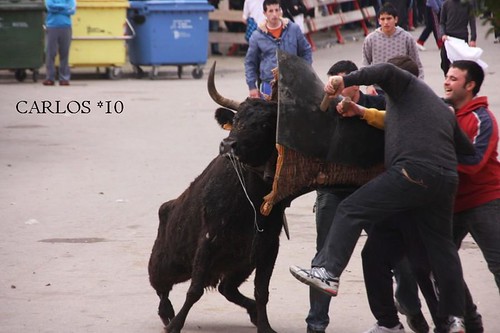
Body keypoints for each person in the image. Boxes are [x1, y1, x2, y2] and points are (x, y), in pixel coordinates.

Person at [289, 59, 474, 332]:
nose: (379, 86)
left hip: (411, 172)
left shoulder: (406, 86)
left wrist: (344, 80)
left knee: (351, 208)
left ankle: (328, 273)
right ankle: (449, 319)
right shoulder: (438, 108)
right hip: (445, 182)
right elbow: (467, 150)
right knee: (422, 251)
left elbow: (386, 72)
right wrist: (362, 111)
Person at [306, 60, 386, 333]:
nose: (338, 87)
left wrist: (360, 112)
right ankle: (315, 324)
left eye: (343, 81)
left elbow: (397, 122)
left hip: (372, 190)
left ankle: (390, 320)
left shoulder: (380, 103)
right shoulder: (326, 108)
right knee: (323, 260)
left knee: (386, 254)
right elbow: (306, 123)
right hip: (332, 191)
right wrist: (326, 99)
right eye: (334, 82)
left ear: (357, 82)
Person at [244, 0, 312, 99]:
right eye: (270, 11)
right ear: (264, 13)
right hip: (268, 85)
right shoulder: (257, 36)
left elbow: (306, 51)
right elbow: (250, 63)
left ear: (281, 11)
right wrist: (252, 87)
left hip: (293, 83)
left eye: (277, 10)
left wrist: (305, 71)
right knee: (269, 114)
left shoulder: (294, 29)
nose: (274, 14)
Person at [361, 2, 424, 94]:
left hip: (403, 86)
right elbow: (365, 64)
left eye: (389, 18)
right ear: (378, 21)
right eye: (382, 19)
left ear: (396, 19)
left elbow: (417, 64)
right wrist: (368, 85)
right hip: (378, 88)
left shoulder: (406, 37)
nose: (386, 22)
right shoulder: (370, 39)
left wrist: (419, 85)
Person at [43, 0, 76, 86]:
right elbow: (50, 7)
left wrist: (57, 7)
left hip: (66, 26)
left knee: (64, 53)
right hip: (52, 26)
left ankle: (64, 79)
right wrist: (65, 7)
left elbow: (72, 10)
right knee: (51, 53)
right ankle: (50, 78)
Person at [439, 0, 476, 76]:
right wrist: (443, 34)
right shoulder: (446, 4)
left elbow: (472, 21)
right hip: (448, 38)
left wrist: (473, 38)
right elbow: (442, 22)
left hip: (461, 37)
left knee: (460, 64)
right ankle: (448, 78)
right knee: (444, 62)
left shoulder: (467, 4)